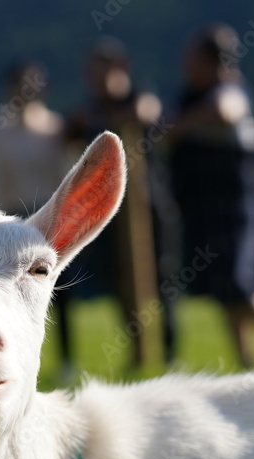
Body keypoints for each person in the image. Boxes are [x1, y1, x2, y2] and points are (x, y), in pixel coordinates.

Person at [168, 25, 254, 369]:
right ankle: (247, 362)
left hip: (238, 206)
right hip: (202, 209)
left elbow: (226, 111)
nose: (186, 64)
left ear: (214, 63)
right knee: (224, 286)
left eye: (192, 58)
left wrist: (181, 125)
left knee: (240, 276)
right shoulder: (188, 97)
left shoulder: (231, 90)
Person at [64, 37, 182, 369]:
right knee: (118, 281)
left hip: (151, 207)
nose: (95, 79)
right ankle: (137, 349)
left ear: (121, 69)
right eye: (91, 72)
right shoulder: (89, 110)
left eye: (101, 71)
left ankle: (170, 352)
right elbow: (68, 134)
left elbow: (147, 112)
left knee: (163, 280)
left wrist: (97, 116)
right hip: (108, 214)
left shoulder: (139, 98)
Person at [0, 62, 67, 217]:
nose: (27, 90)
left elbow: (65, 169)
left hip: (51, 213)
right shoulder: (0, 129)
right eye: (21, 84)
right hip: (12, 215)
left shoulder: (55, 126)